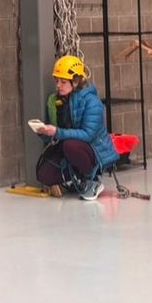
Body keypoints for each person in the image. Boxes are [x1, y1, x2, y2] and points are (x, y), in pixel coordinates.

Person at [33, 55, 118, 200]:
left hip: (93, 150)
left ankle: (92, 180)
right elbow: (59, 132)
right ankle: (76, 178)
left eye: (63, 81)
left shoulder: (92, 103)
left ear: (76, 81)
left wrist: (57, 132)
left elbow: (87, 135)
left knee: (70, 146)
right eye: (57, 81)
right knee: (43, 175)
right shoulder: (60, 101)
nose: (58, 85)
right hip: (70, 144)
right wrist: (44, 132)